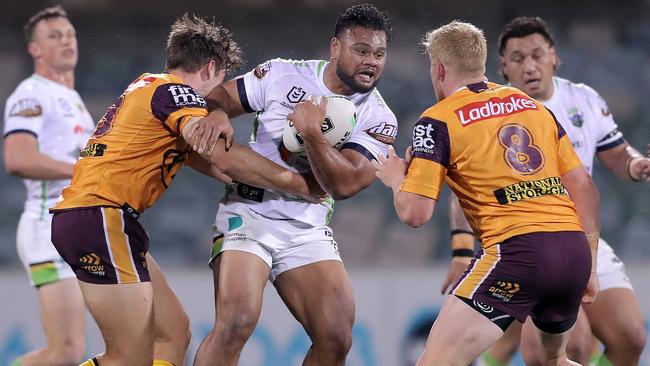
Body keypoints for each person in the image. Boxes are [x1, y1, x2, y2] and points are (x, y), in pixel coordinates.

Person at [49, 14, 323, 366]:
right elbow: (212, 147)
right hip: (101, 217)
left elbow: (198, 156)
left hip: (100, 218)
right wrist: (294, 183)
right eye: (220, 80)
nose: (216, 98)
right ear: (211, 68)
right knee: (129, 358)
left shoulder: (146, 85)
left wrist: (237, 174)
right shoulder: (177, 93)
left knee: (173, 333)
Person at [374, 21, 601, 366]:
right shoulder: (533, 106)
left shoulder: (437, 120)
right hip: (573, 253)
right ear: (480, 64)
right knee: (553, 362)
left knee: (435, 361)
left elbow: (415, 214)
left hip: (518, 252)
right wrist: (591, 264)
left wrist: (394, 178)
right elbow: (583, 186)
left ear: (438, 69)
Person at [192, 4, 397, 365]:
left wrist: (312, 133)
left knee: (335, 338)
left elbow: (345, 185)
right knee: (236, 322)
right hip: (249, 212)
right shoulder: (282, 73)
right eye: (361, 50)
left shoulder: (378, 117)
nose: (371, 62)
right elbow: (220, 95)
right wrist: (219, 111)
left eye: (379, 54)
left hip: (308, 226)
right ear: (336, 47)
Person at [443, 16, 649, 366]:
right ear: (503, 66)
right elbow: (463, 183)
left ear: (554, 57)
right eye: (518, 58)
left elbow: (616, 154)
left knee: (630, 337)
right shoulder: (491, 110)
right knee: (570, 347)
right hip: (524, 240)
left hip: (583, 236)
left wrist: (636, 165)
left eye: (537, 55)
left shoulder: (583, 99)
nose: (530, 66)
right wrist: (461, 249)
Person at [2, 6, 94, 366]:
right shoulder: (31, 94)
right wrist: (81, 172)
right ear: (34, 50)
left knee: (74, 351)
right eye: (54, 36)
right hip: (46, 229)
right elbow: (17, 158)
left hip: (73, 227)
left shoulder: (72, 98)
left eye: (69, 34)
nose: (66, 41)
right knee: (65, 353)